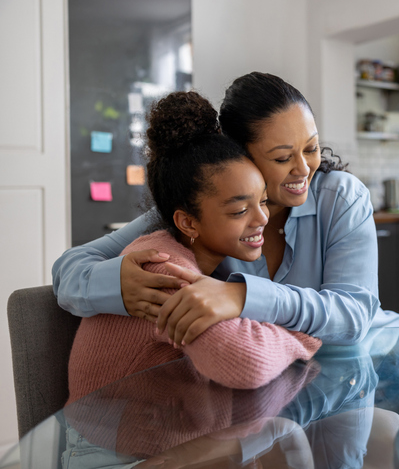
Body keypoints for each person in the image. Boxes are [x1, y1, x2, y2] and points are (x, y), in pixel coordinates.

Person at [53, 72, 399, 346]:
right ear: (240, 155)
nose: (304, 168)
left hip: (373, 361)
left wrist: (240, 296)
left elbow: (353, 315)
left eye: (311, 148)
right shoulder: (202, 213)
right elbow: (69, 268)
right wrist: (120, 286)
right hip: (285, 384)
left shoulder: (340, 197)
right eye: (282, 157)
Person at [66, 91, 321, 405]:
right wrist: (305, 336)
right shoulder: (164, 270)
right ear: (187, 223)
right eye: (240, 211)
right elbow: (248, 364)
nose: (262, 219)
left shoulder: (196, 257)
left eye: (263, 202)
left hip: (171, 440)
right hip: (111, 450)